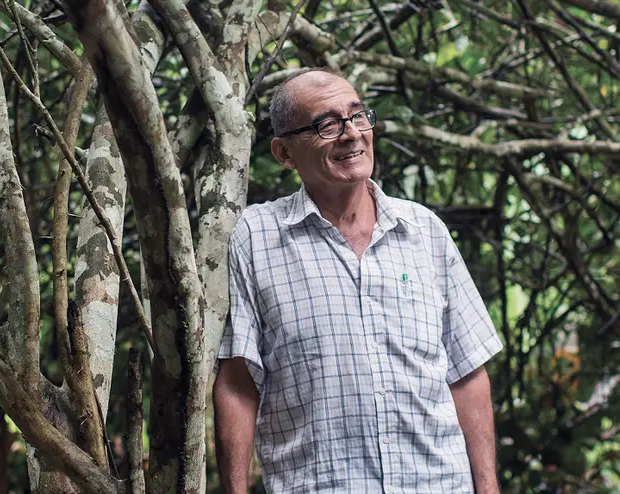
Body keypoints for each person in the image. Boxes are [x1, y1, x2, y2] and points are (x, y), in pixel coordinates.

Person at [213, 69, 503, 494]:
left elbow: (467, 373)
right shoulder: (256, 237)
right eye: (326, 125)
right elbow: (238, 382)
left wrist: (488, 488)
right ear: (284, 152)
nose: (351, 134)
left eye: (358, 117)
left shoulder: (425, 230)